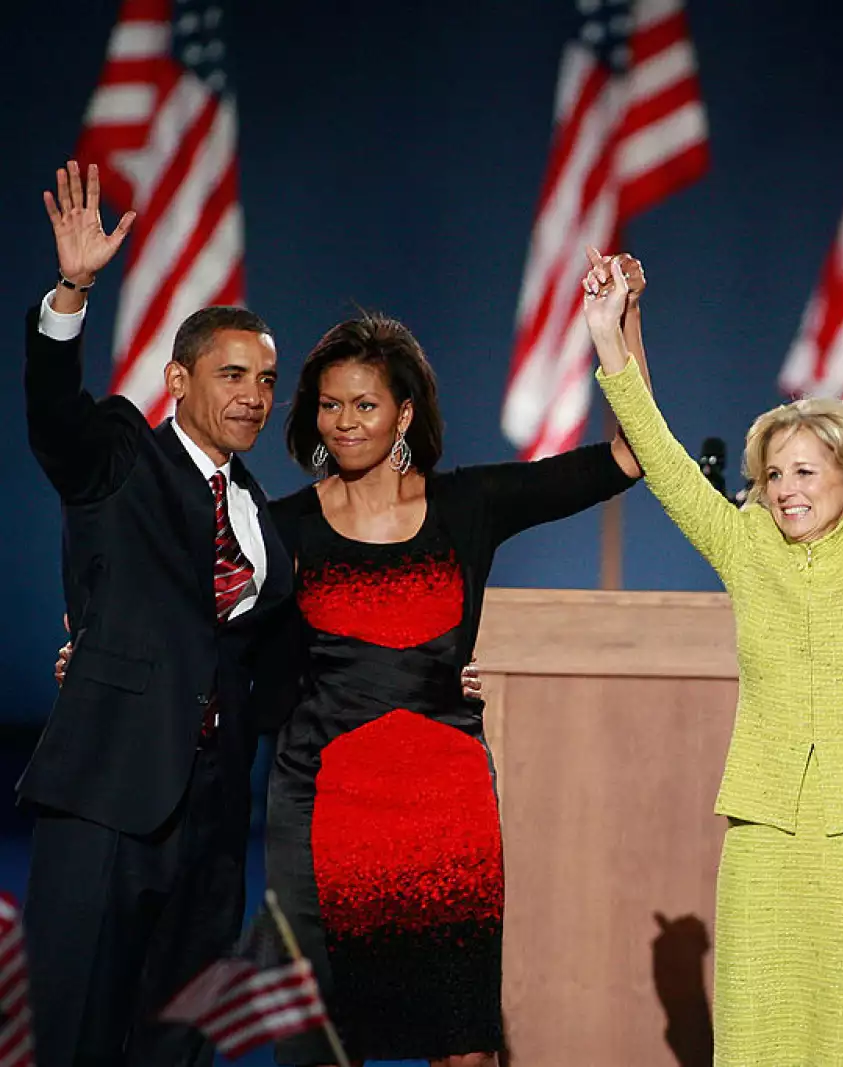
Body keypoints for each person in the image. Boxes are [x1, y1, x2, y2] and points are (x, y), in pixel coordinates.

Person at [582, 239, 843, 1064]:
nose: (787, 488)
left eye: (805, 470)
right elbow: (662, 461)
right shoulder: (745, 545)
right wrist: (609, 341)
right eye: (773, 474)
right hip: (764, 826)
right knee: (760, 1024)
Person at [261, 264, 649, 1065]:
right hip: (322, 808)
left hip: (446, 807)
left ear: (402, 413)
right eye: (329, 406)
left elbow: (631, 455)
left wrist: (621, 323)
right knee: (322, 1043)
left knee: (464, 1047)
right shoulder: (282, 527)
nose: (344, 423)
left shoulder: (469, 506)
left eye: (364, 404)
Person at [22, 160, 292, 1067]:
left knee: (177, 1052)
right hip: (105, 801)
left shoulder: (262, 518)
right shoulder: (122, 458)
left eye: (266, 377)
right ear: (177, 378)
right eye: (232, 373)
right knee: (79, 1043)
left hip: (213, 829)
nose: (254, 393)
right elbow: (55, 418)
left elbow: (278, 659)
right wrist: (73, 290)